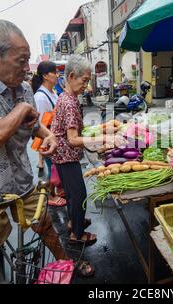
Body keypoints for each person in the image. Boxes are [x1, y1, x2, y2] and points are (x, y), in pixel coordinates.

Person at [0, 20, 91, 283]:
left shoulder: (24, 88)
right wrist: (21, 110)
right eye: (21, 61)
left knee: (46, 226)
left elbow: (33, 125)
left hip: (20, 181)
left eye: (28, 60)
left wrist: (47, 135)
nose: (27, 68)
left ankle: (65, 264)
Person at [51, 55, 122, 245]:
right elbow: (73, 139)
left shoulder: (65, 97)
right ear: (72, 76)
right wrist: (105, 138)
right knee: (78, 194)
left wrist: (102, 130)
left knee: (72, 193)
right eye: (84, 81)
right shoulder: (70, 102)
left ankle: (75, 222)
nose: (86, 86)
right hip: (66, 156)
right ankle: (77, 234)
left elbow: (75, 131)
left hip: (61, 155)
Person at [32, 61, 66, 207]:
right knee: (52, 169)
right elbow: (39, 124)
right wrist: (47, 142)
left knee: (56, 169)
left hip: (57, 138)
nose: (57, 75)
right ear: (45, 76)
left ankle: (55, 191)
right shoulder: (40, 97)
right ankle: (49, 196)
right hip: (48, 140)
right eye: (54, 72)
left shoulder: (54, 92)